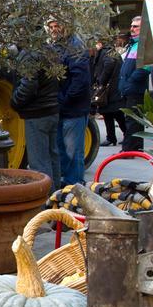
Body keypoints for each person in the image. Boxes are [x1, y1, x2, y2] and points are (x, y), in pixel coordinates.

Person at [49, 18, 91, 187]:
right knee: (63, 151)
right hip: (64, 108)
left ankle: (75, 188)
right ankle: (67, 186)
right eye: (51, 26)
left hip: (73, 109)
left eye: (57, 25)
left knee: (73, 153)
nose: (54, 29)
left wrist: (64, 101)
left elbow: (80, 80)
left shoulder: (75, 46)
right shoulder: (59, 46)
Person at [10, 49, 61, 188]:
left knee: (39, 163)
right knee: (52, 157)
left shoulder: (29, 54)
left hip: (37, 113)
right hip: (51, 109)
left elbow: (29, 85)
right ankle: (55, 197)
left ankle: (45, 201)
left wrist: (14, 102)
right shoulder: (48, 50)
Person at [119, 16, 151, 152]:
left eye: (136, 26)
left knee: (133, 120)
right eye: (131, 26)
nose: (132, 29)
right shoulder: (133, 44)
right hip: (129, 89)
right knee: (132, 120)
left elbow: (144, 68)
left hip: (135, 89)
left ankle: (129, 149)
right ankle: (135, 147)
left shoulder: (144, 45)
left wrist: (129, 83)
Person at [92, 37, 126, 146]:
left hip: (110, 90)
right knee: (110, 114)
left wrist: (101, 81)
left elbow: (108, 66)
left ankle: (117, 136)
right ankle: (113, 137)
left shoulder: (107, 53)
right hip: (112, 89)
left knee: (115, 114)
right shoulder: (110, 52)